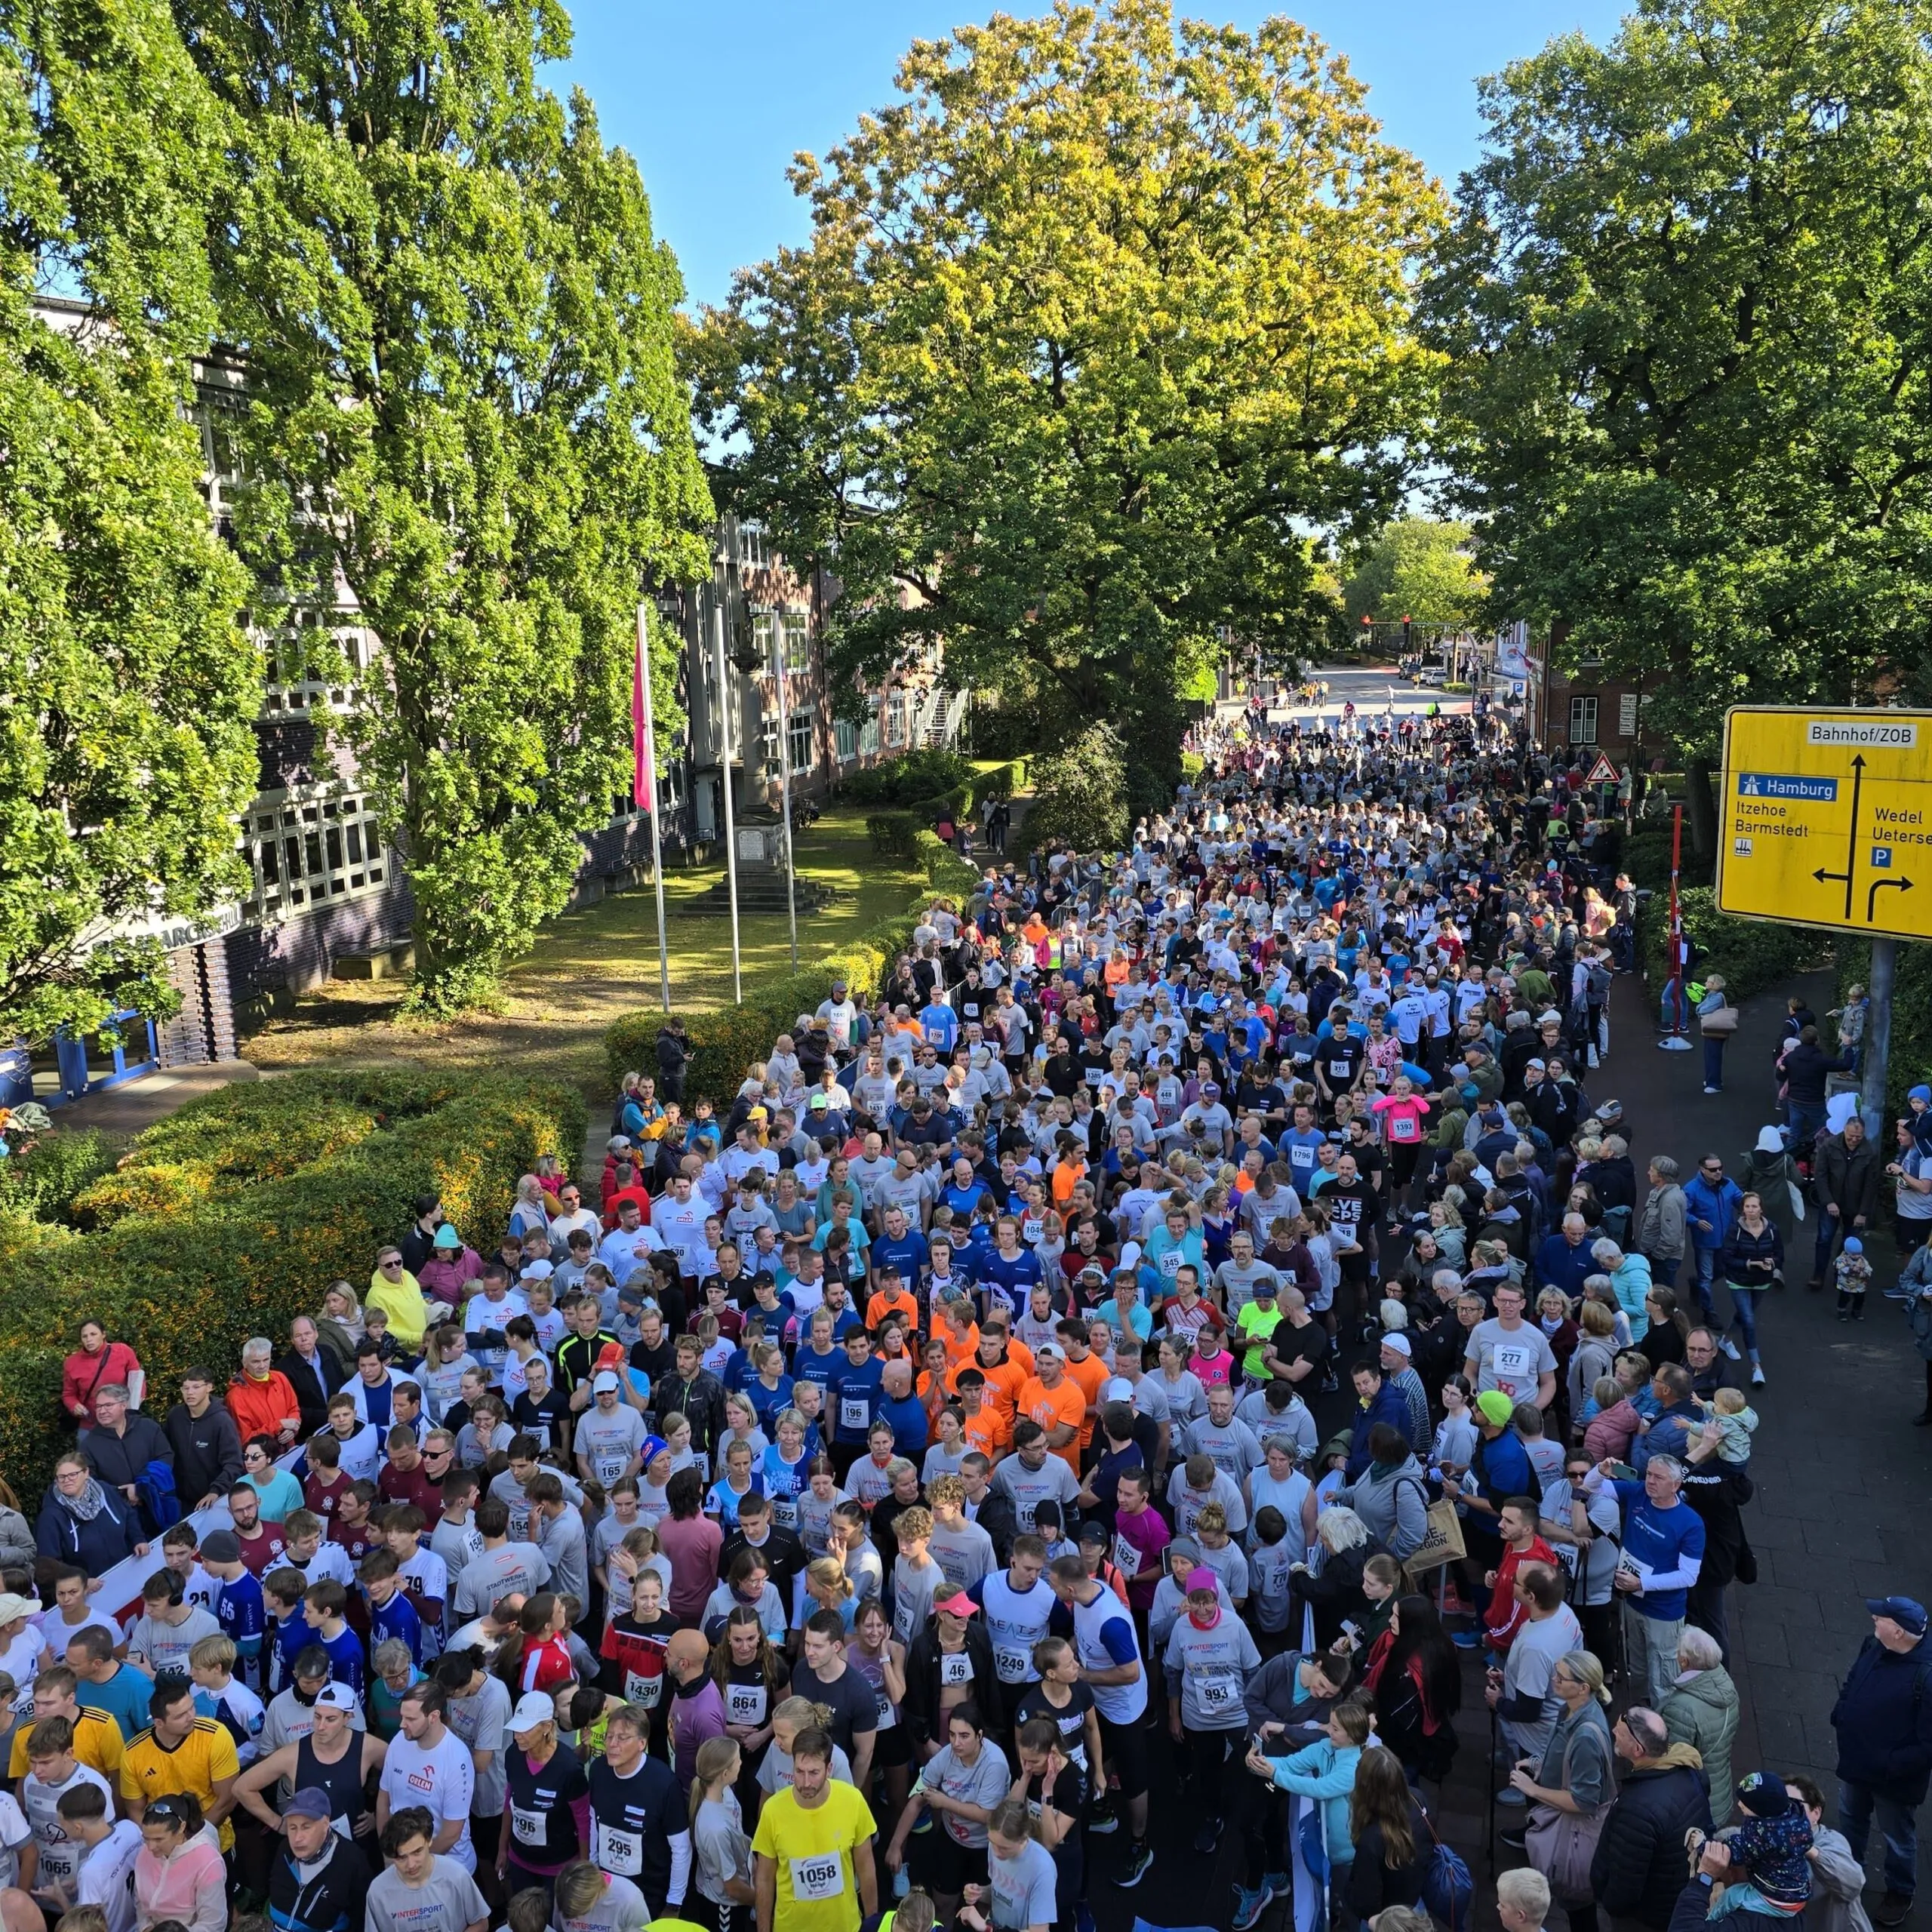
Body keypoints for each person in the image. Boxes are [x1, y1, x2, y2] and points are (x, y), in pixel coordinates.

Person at [1829, 1595, 1932, 1928]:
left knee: (1898, 1837)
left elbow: (1927, 1746)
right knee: (1850, 1819)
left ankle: (1900, 1892)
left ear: (1899, 1632)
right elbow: (1852, 1681)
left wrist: (1888, 1765)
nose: (1875, 1619)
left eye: (1882, 1618)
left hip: (1892, 1780)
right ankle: (1848, 1873)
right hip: (1857, 1763)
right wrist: (1842, 1712)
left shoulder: (1927, 1679)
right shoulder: (1872, 1645)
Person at [1505, 1650, 1615, 1926]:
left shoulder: (1587, 1736)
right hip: (1564, 1821)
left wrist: (1533, 1790)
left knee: (1578, 1907)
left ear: (1583, 1687)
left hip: (1576, 1833)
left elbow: (1584, 1801)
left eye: (1561, 1677)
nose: (1554, 1679)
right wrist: (1539, 1763)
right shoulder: (1571, 1708)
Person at [1588, 1706, 1713, 1930]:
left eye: (1621, 1732)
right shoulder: (1691, 1769)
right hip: (1675, 1897)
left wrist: (1610, 1905)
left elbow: (1626, 1883)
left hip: (1645, 1916)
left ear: (1637, 1750)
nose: (1614, 1731)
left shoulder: (1637, 1809)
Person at [749, 1724, 877, 1932]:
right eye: (800, 1771)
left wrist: (872, 1924)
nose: (806, 1782)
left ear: (829, 1769)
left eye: (814, 1772)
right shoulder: (773, 1811)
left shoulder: (853, 1801)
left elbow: (866, 1869)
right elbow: (764, 1879)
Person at [1660, 1626, 1740, 1827]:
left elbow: (1673, 1761)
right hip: (1719, 1795)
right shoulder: (1726, 1687)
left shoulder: (1682, 1708)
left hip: (1694, 1805)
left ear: (1684, 1662)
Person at [365, 1805, 490, 1932]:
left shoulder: (457, 1875)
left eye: (417, 1852)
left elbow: (481, 1923)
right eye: (401, 1858)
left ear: (429, 1841)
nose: (411, 1864)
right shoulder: (378, 1892)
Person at [1344, 1744, 1429, 1920]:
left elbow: (1366, 1903)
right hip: (1415, 1904)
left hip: (1386, 1920)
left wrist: (1348, 1893)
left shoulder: (1371, 1839)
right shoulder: (1417, 1798)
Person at [131, 1790, 226, 1932]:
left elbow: (213, 1923)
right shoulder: (145, 1853)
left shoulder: (208, 1862)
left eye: (159, 1839)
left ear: (181, 1827)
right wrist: (146, 1927)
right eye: (146, 1838)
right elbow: (140, 1902)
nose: (150, 1847)